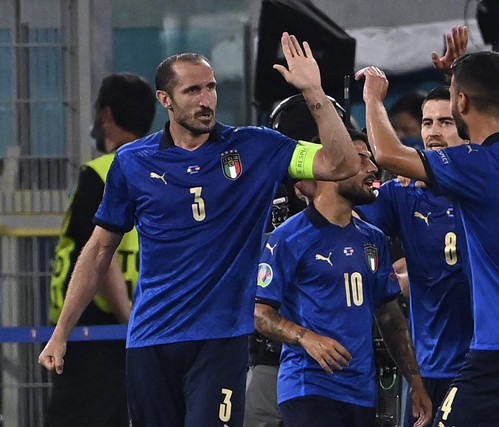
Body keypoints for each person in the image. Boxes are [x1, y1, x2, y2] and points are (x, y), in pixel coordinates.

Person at [38, 32, 360, 427]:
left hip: (219, 342)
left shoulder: (256, 148)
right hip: (151, 340)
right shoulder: (131, 162)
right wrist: (61, 332)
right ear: (165, 99)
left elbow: (342, 165)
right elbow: (99, 250)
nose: (206, 99)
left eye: (211, 88)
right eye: (192, 90)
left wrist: (315, 92)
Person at [355, 26, 499, 426]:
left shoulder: (482, 167)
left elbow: (387, 153)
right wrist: (458, 75)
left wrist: (373, 98)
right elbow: (483, 114)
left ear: (460, 101)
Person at [254, 129, 432, 427]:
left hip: (362, 392)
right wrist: (306, 338)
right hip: (308, 387)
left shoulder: (373, 238)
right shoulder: (289, 238)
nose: (373, 168)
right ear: (330, 167)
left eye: (370, 160)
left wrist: (415, 380)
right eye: (360, 159)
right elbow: (259, 312)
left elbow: (389, 317)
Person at [355, 86, 473, 427]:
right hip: (427, 365)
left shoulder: (484, 186)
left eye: (446, 122)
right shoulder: (403, 194)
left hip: (482, 361)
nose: (433, 131)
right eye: (427, 122)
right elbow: (347, 213)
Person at [45, 72, 156, 427]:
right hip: (145, 319)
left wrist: (128, 322)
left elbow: (99, 253)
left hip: (99, 327)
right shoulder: (156, 167)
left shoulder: (101, 172)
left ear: (106, 114)